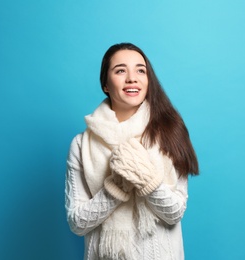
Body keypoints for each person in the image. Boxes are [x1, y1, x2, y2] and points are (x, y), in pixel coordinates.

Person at [65, 42, 199, 260]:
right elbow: (77, 222)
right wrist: (115, 188)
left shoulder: (170, 133)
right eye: (120, 70)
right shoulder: (81, 145)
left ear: (148, 80)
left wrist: (145, 178)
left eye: (140, 70)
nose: (132, 78)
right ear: (106, 84)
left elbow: (175, 212)